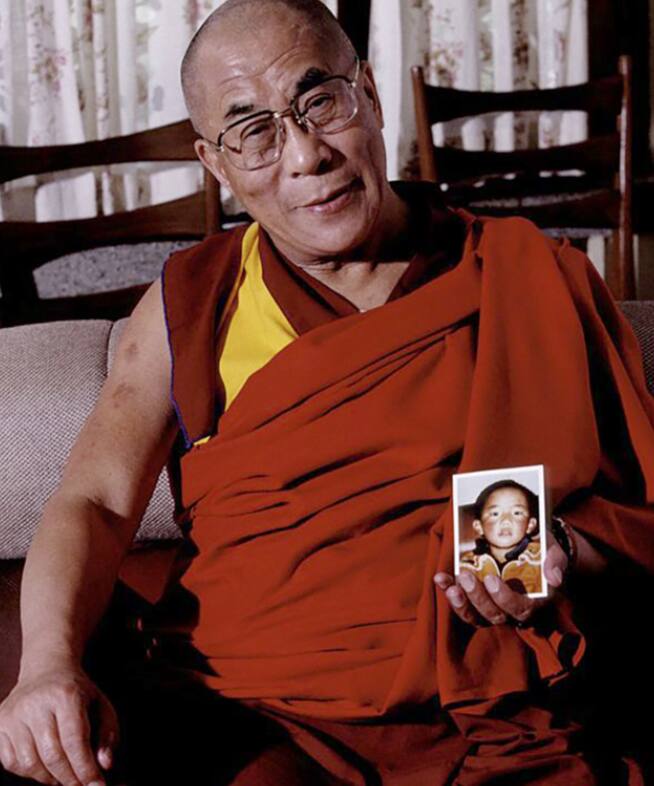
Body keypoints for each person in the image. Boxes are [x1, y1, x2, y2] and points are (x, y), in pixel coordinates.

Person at [1, 0, 654, 783]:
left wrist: (567, 553)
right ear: (215, 164)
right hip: (253, 710)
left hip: (498, 710)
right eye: (255, 131)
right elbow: (97, 503)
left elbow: (635, 508)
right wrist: (43, 666)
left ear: (370, 97)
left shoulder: (525, 277)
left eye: (320, 101)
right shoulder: (195, 301)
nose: (306, 155)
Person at [459, 480, 543, 595]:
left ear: (530, 525)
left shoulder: (540, 559)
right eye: (495, 514)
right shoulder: (467, 565)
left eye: (517, 513)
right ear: (479, 527)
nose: (506, 521)